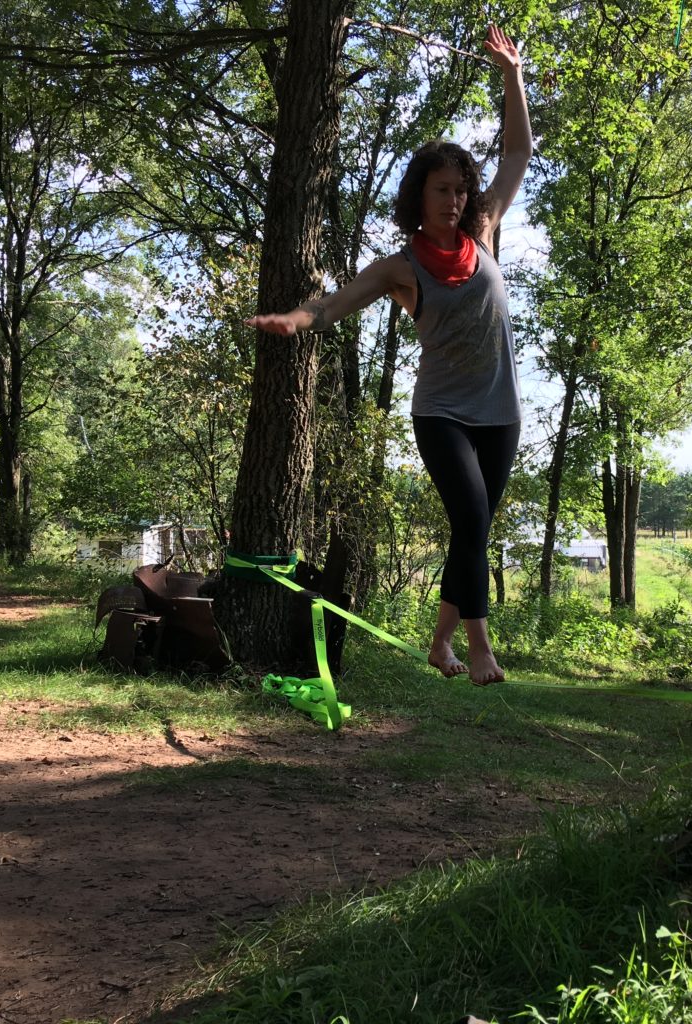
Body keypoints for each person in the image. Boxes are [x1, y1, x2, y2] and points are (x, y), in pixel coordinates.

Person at [245, 24, 531, 685]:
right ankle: (480, 647)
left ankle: (440, 643)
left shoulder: (484, 229)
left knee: (473, 529)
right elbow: (334, 304)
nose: (456, 201)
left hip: (502, 411)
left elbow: (518, 151)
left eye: (462, 189)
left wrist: (510, 73)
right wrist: (295, 318)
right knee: (472, 518)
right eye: (443, 190)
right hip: (443, 412)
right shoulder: (399, 266)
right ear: (419, 195)